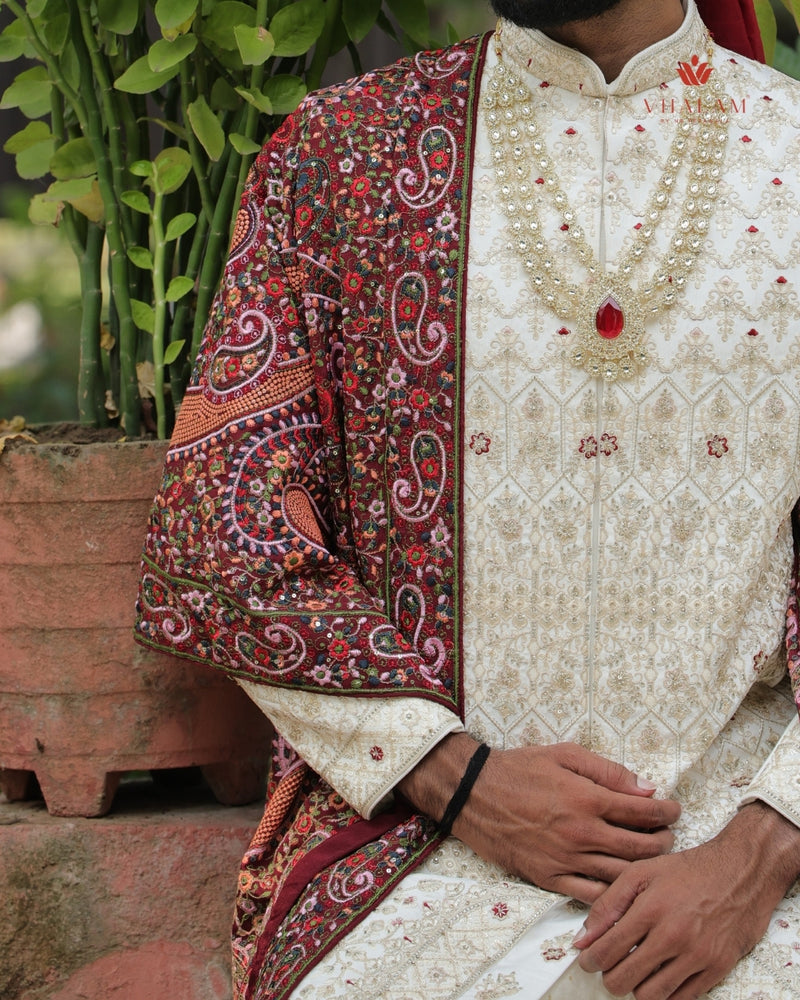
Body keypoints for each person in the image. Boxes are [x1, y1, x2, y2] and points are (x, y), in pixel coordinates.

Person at [135, 0, 800, 996]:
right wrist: (457, 778)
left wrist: (759, 851)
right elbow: (220, 524)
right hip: (415, 853)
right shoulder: (343, 157)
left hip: (750, 842)